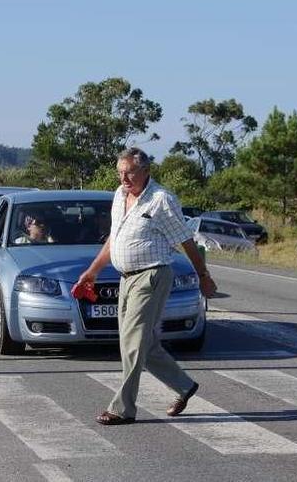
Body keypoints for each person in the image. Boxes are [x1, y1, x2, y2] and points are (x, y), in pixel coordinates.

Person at [76, 147, 216, 425]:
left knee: (132, 345)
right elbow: (113, 241)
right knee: (144, 344)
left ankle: (123, 408)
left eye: (129, 172)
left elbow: (186, 240)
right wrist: (92, 271)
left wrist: (203, 275)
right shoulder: (119, 196)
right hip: (125, 278)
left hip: (152, 276)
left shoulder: (161, 200)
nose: (124, 178)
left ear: (146, 171)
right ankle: (184, 386)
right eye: (120, 173)